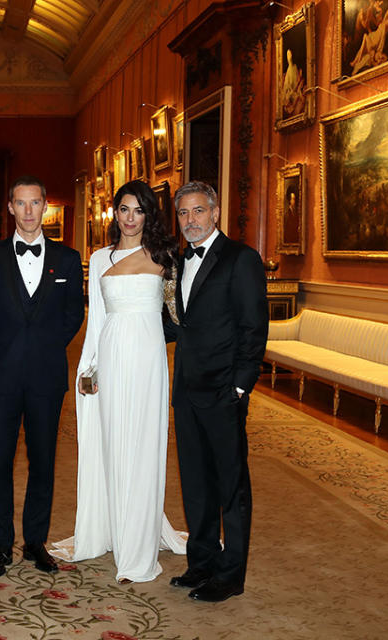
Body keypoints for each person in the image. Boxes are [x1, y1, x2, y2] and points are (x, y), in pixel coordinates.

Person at [51, 180, 186, 584]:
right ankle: (108, 525)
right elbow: (97, 323)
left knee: (143, 443)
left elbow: (179, 317)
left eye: (138, 211)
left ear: (149, 215)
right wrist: (88, 369)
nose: (130, 218)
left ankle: (138, 542)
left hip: (147, 361)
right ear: (115, 213)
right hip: (109, 357)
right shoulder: (99, 257)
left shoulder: (165, 257)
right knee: (111, 441)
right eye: (124, 210)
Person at [165, 181, 267, 602]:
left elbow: (253, 328)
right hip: (186, 389)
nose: (190, 221)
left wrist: (241, 386)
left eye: (198, 212)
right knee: (195, 482)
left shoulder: (241, 259)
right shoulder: (176, 260)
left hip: (225, 390)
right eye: (184, 213)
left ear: (215, 212)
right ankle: (201, 562)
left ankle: (230, 576)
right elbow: (175, 324)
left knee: (230, 485)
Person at [0, 176, 84, 578]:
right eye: (20, 203)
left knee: (43, 461)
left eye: (34, 203)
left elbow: (74, 312)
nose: (27, 211)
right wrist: (6, 339)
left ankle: (35, 542)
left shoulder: (69, 259)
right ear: (9, 207)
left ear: (45, 206)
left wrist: (45, 343)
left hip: (46, 375)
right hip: (1, 375)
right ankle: (1, 545)